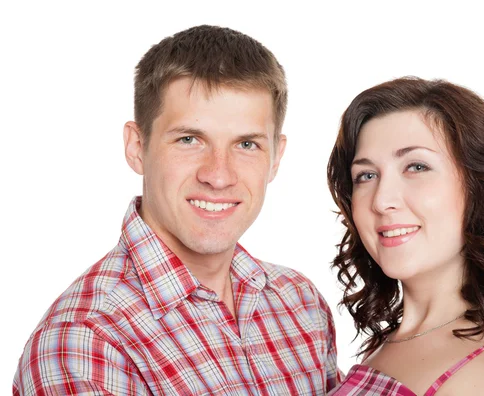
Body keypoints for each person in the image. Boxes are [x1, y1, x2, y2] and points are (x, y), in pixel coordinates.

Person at [13, 25, 340, 395]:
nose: (218, 175)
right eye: (189, 139)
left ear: (276, 158)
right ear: (137, 146)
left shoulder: (300, 304)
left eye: (246, 144)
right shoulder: (84, 344)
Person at [326, 77, 484, 395]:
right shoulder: (383, 345)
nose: (382, 201)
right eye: (366, 175)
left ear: (480, 188)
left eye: (416, 167)